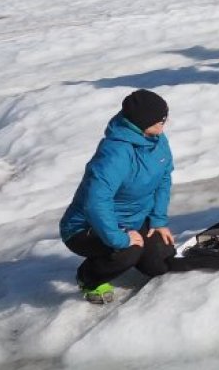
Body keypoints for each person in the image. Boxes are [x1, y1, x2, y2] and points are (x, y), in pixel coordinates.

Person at [58, 90, 177, 304]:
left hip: (133, 220)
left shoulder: (157, 139)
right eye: (159, 120)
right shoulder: (115, 153)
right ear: (142, 122)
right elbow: (95, 203)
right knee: (127, 251)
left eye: (164, 118)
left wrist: (158, 220)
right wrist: (119, 238)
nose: (164, 124)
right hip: (85, 227)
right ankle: (89, 277)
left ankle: (130, 253)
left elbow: (164, 178)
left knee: (161, 262)